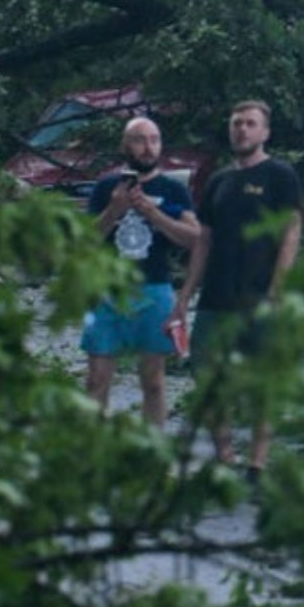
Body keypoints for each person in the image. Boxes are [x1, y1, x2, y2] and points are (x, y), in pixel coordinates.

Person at [170, 100, 304, 476]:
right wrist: (184, 297)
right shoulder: (218, 181)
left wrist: (279, 287)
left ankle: (257, 464)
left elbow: (292, 232)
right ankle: (225, 458)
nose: (242, 129)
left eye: (249, 124)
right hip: (216, 296)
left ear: (265, 132)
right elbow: (203, 242)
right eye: (236, 123)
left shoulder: (280, 174)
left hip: (260, 295)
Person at [81, 117, 200, 428]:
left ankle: (152, 457)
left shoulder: (172, 189)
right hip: (108, 290)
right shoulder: (106, 187)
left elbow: (194, 238)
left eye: (154, 140)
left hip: (155, 288)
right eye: (140, 140)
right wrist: (113, 211)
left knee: (154, 382)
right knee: (96, 380)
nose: (148, 147)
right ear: (125, 145)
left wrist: (152, 212)